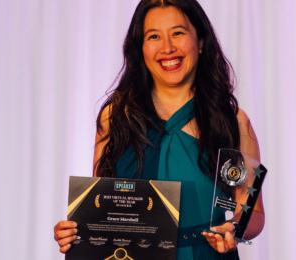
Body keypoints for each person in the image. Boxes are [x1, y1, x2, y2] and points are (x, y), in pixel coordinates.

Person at [53, 0, 265, 259]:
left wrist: (234, 228)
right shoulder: (115, 118)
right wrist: (73, 231)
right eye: (154, 36)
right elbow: (102, 208)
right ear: (140, 48)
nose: (167, 47)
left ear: (200, 41)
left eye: (178, 33)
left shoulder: (232, 121)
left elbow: (253, 211)